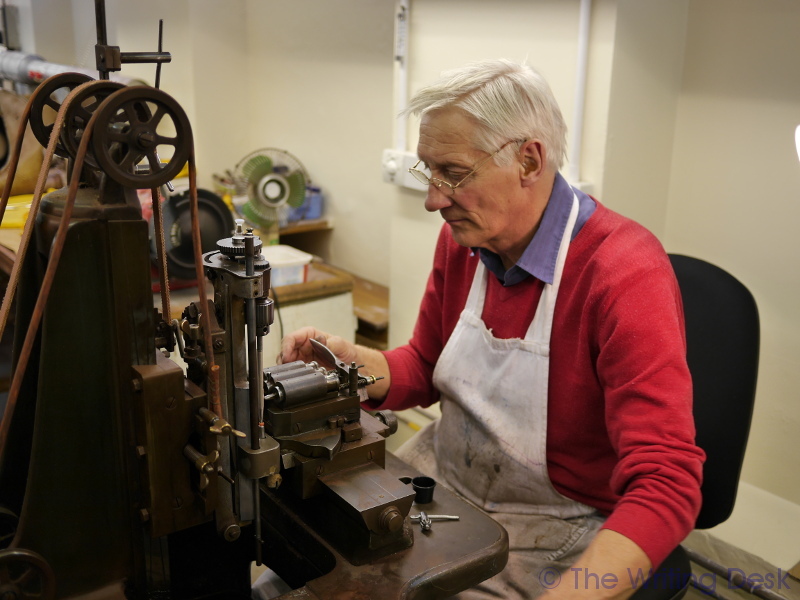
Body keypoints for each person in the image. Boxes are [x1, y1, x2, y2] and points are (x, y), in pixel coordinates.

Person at [278, 59, 704, 600]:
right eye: (427, 172)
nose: (434, 199)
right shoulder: (466, 243)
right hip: (443, 484)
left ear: (529, 159)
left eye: (452, 173)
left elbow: (667, 483)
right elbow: (427, 367)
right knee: (300, 574)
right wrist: (352, 364)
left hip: (553, 526)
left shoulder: (622, 273)